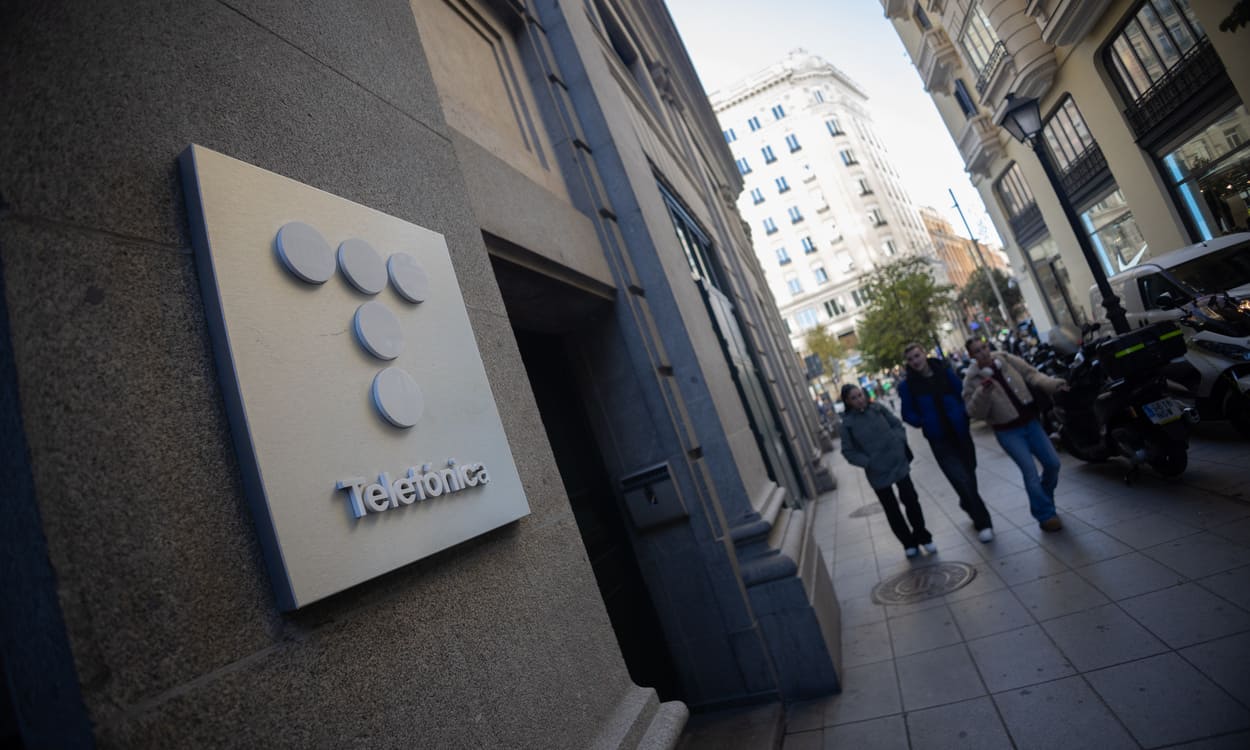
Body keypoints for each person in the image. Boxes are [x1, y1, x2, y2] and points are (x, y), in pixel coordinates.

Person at [961, 337, 1069, 532]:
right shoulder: (972, 379)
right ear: (971, 356)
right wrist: (982, 392)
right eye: (977, 351)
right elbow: (973, 412)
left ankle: (1042, 499)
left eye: (984, 347)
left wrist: (1053, 384)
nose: (983, 353)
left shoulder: (1004, 359)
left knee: (1053, 463)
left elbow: (1031, 374)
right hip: (1008, 432)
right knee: (1030, 472)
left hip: (1031, 423)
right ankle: (1045, 515)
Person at [898, 343, 995, 542]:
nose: (915, 361)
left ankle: (968, 503)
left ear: (924, 354)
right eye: (910, 359)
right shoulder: (907, 386)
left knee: (969, 472)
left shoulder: (944, 371)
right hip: (939, 439)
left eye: (917, 355)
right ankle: (983, 522)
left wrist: (962, 413)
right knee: (959, 478)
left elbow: (962, 393)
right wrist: (923, 422)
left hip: (960, 431)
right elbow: (907, 413)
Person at [839, 384, 934, 558]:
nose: (859, 399)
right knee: (891, 509)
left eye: (860, 395)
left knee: (911, 499)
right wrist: (869, 462)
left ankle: (923, 536)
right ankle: (908, 543)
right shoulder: (847, 424)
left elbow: (897, 425)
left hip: (898, 462)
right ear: (847, 402)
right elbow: (848, 451)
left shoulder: (878, 409)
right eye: (854, 398)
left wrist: (898, 442)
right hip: (877, 471)